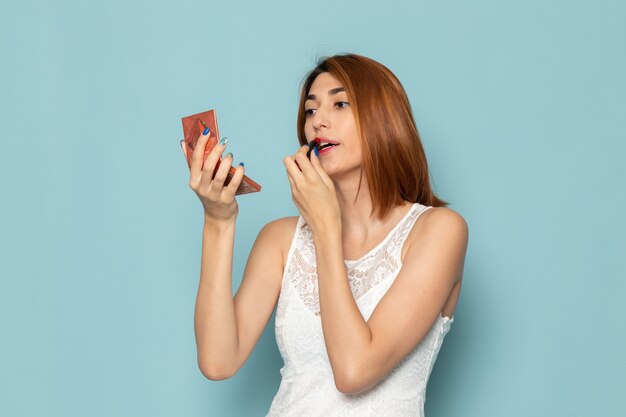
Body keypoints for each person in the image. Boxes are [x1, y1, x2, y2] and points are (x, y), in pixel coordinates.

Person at [180, 53, 469, 417]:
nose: (318, 121)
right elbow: (218, 361)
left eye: (340, 103)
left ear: (383, 117)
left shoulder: (439, 231)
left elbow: (353, 370)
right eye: (310, 110)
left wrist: (326, 227)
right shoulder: (280, 240)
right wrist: (218, 221)